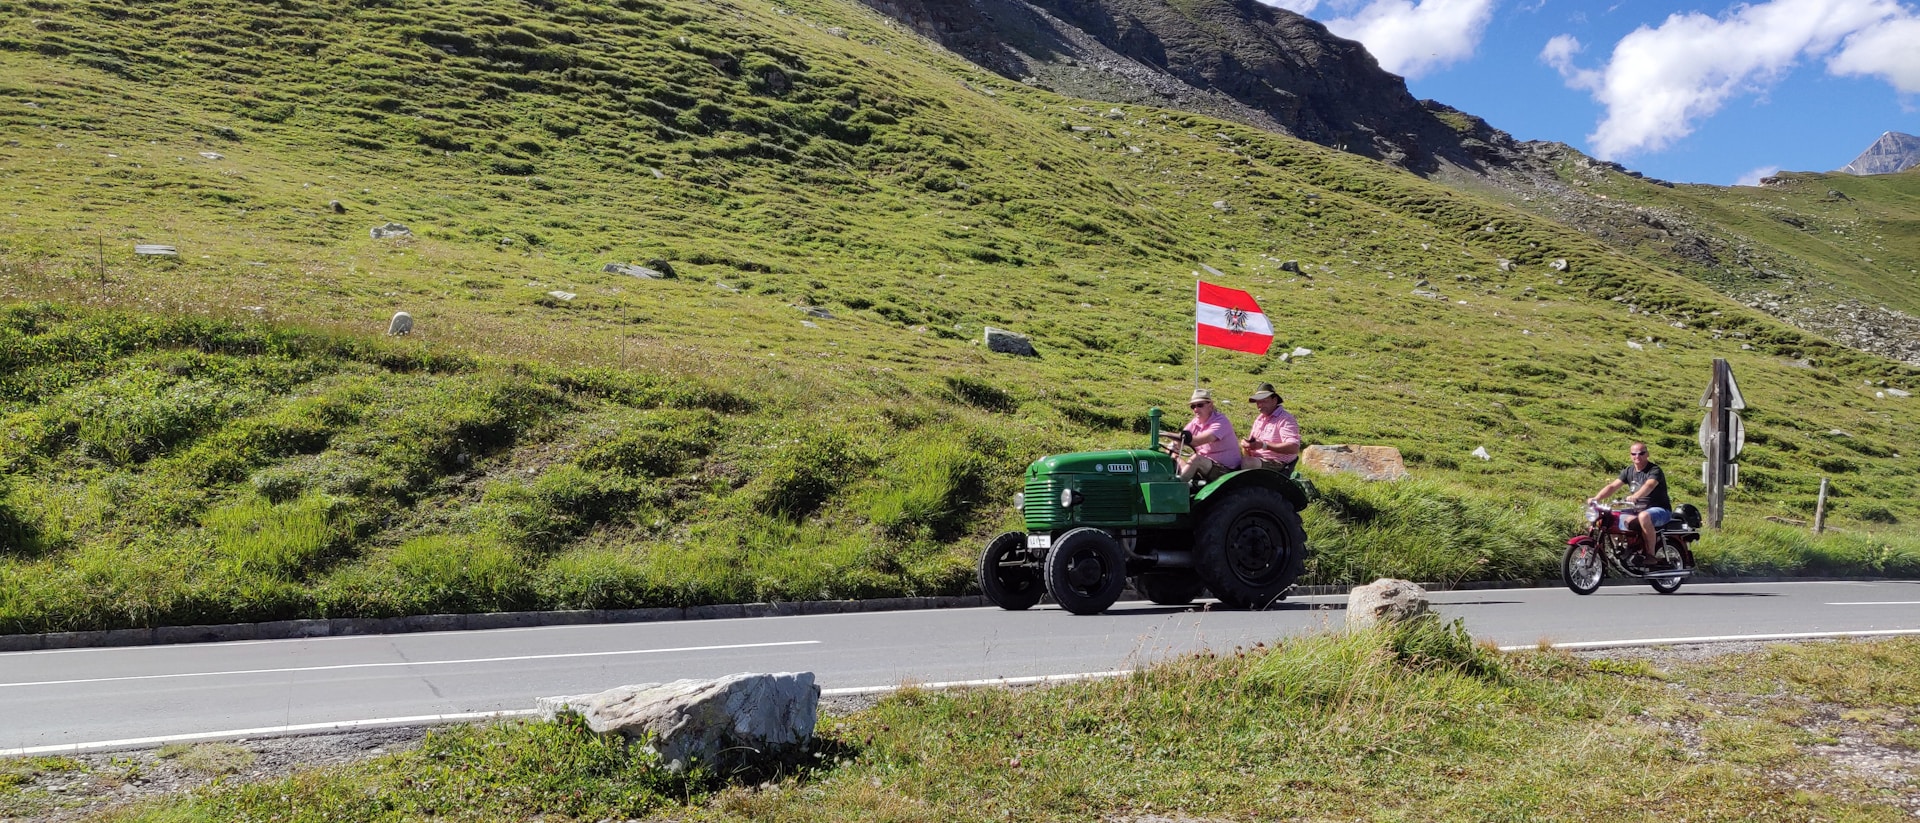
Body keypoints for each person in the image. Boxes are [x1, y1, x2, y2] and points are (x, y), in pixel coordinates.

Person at [1589, 442, 1673, 568]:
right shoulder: (1628, 471)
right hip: (1637, 509)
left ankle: (1651, 555)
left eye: (1641, 453)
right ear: (1630, 455)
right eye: (1634, 454)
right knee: (1613, 516)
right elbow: (1612, 486)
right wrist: (1596, 498)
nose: (1637, 456)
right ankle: (1623, 548)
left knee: (1644, 516)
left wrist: (1636, 496)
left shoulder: (1654, 470)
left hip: (1660, 510)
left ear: (1647, 454)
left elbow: (1649, 485)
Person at [1175, 388, 1240, 483]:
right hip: (1208, 464)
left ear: (1210, 405)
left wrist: (1173, 436)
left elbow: (1197, 441)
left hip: (1225, 470)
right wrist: (1174, 447)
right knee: (1172, 455)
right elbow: (1181, 438)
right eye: (1193, 406)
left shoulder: (1221, 422)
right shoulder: (1195, 422)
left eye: (1200, 405)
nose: (1196, 409)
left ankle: (1175, 489)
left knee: (1196, 459)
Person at [1240, 382, 1300, 472]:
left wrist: (1264, 445)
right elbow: (1254, 443)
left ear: (1274, 400)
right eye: (1258, 402)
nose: (1260, 405)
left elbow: (1293, 447)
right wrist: (1247, 445)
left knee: (1248, 463)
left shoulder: (1285, 419)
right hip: (1257, 459)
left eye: (1264, 401)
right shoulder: (1260, 419)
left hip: (1277, 462)